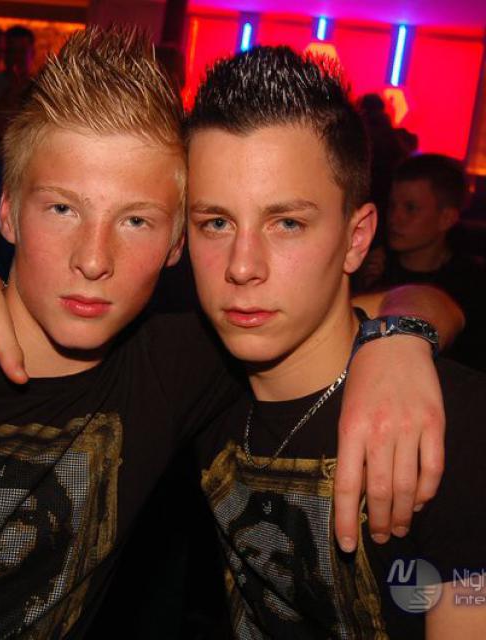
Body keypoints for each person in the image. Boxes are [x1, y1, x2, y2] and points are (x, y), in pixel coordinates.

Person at [0, 28, 456, 637]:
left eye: (136, 220)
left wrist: (399, 338)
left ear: (175, 244)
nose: (93, 259)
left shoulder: (177, 365)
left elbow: (343, 306)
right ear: (7, 212)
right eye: (62, 209)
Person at [186, 46, 485, 637]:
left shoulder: (455, 423)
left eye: (287, 223)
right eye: (216, 222)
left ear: (356, 238)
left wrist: (401, 333)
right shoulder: (188, 382)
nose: (242, 266)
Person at [361, 153, 486, 371]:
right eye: (392, 206)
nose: (394, 218)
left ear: (446, 218)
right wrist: (363, 282)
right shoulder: (372, 265)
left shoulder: (470, 285)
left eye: (410, 208)